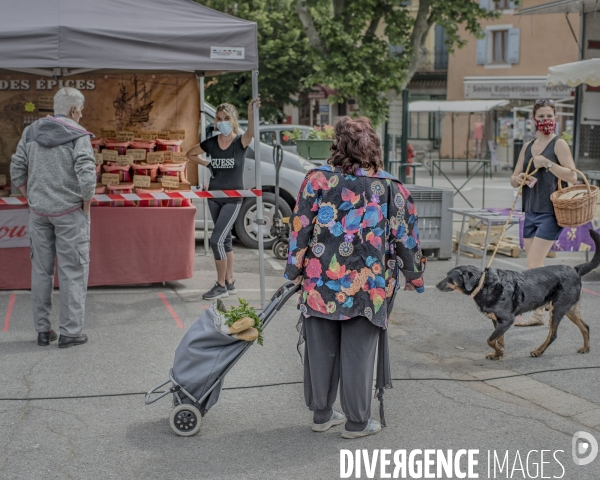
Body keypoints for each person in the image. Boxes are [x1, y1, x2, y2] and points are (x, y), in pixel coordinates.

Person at [284, 116, 426, 439]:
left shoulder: (317, 180)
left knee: (320, 350)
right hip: (369, 288)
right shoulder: (391, 187)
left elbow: (299, 229)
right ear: (374, 146)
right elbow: (406, 238)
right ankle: (356, 423)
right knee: (359, 354)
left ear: (336, 145)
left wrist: (293, 272)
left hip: (320, 284)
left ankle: (322, 415)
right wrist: (414, 277)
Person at [10, 87, 96, 348]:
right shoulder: (79, 135)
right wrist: (86, 204)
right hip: (70, 212)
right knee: (73, 271)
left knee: (41, 270)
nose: (80, 116)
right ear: (73, 110)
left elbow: (17, 169)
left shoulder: (31, 132)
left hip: (39, 212)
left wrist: (31, 197)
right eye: (80, 111)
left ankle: (43, 331)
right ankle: (70, 332)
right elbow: (87, 174)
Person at [510, 99, 577, 326]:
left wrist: (547, 164)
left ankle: (538, 313)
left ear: (555, 118)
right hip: (530, 210)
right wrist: (518, 178)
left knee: (532, 265)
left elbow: (573, 176)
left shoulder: (559, 145)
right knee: (535, 267)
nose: (546, 121)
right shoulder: (528, 145)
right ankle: (545, 309)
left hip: (550, 212)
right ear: (533, 119)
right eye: (541, 117)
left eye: (549, 116)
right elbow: (513, 178)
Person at [186, 98, 260, 300]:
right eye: (219, 119)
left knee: (216, 239)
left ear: (234, 120)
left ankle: (220, 285)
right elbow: (190, 154)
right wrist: (207, 164)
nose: (222, 122)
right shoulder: (211, 143)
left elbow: (251, 132)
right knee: (225, 241)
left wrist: (251, 112)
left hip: (232, 199)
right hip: (213, 197)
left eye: (226, 118)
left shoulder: (240, 142)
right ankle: (229, 281)